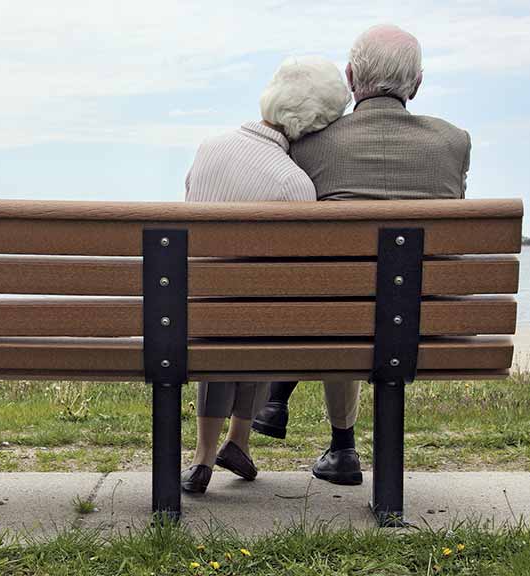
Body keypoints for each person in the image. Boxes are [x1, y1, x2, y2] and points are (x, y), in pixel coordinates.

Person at [252, 24, 472, 486]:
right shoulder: (453, 142)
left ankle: (342, 445)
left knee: (347, 296)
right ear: (417, 83)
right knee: (374, 298)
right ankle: (340, 447)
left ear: (351, 78)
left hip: (340, 318)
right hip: (431, 325)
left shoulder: (312, 144)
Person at [181, 56, 351, 494]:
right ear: (317, 126)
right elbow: (295, 276)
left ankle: (203, 455)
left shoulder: (209, 148)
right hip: (257, 324)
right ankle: (237, 440)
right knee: (262, 312)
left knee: (225, 311)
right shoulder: (294, 185)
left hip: (197, 313)